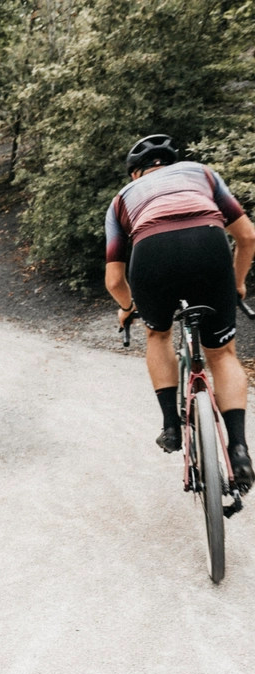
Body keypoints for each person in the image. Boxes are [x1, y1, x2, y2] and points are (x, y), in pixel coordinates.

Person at [104, 134, 255, 488]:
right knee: (222, 354)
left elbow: (114, 280)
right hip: (209, 245)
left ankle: (171, 427)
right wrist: (236, 284)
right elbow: (247, 237)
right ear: (171, 163)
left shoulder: (122, 201)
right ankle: (240, 449)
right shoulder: (202, 173)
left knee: (157, 334)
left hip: (151, 252)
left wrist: (128, 308)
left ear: (134, 174)